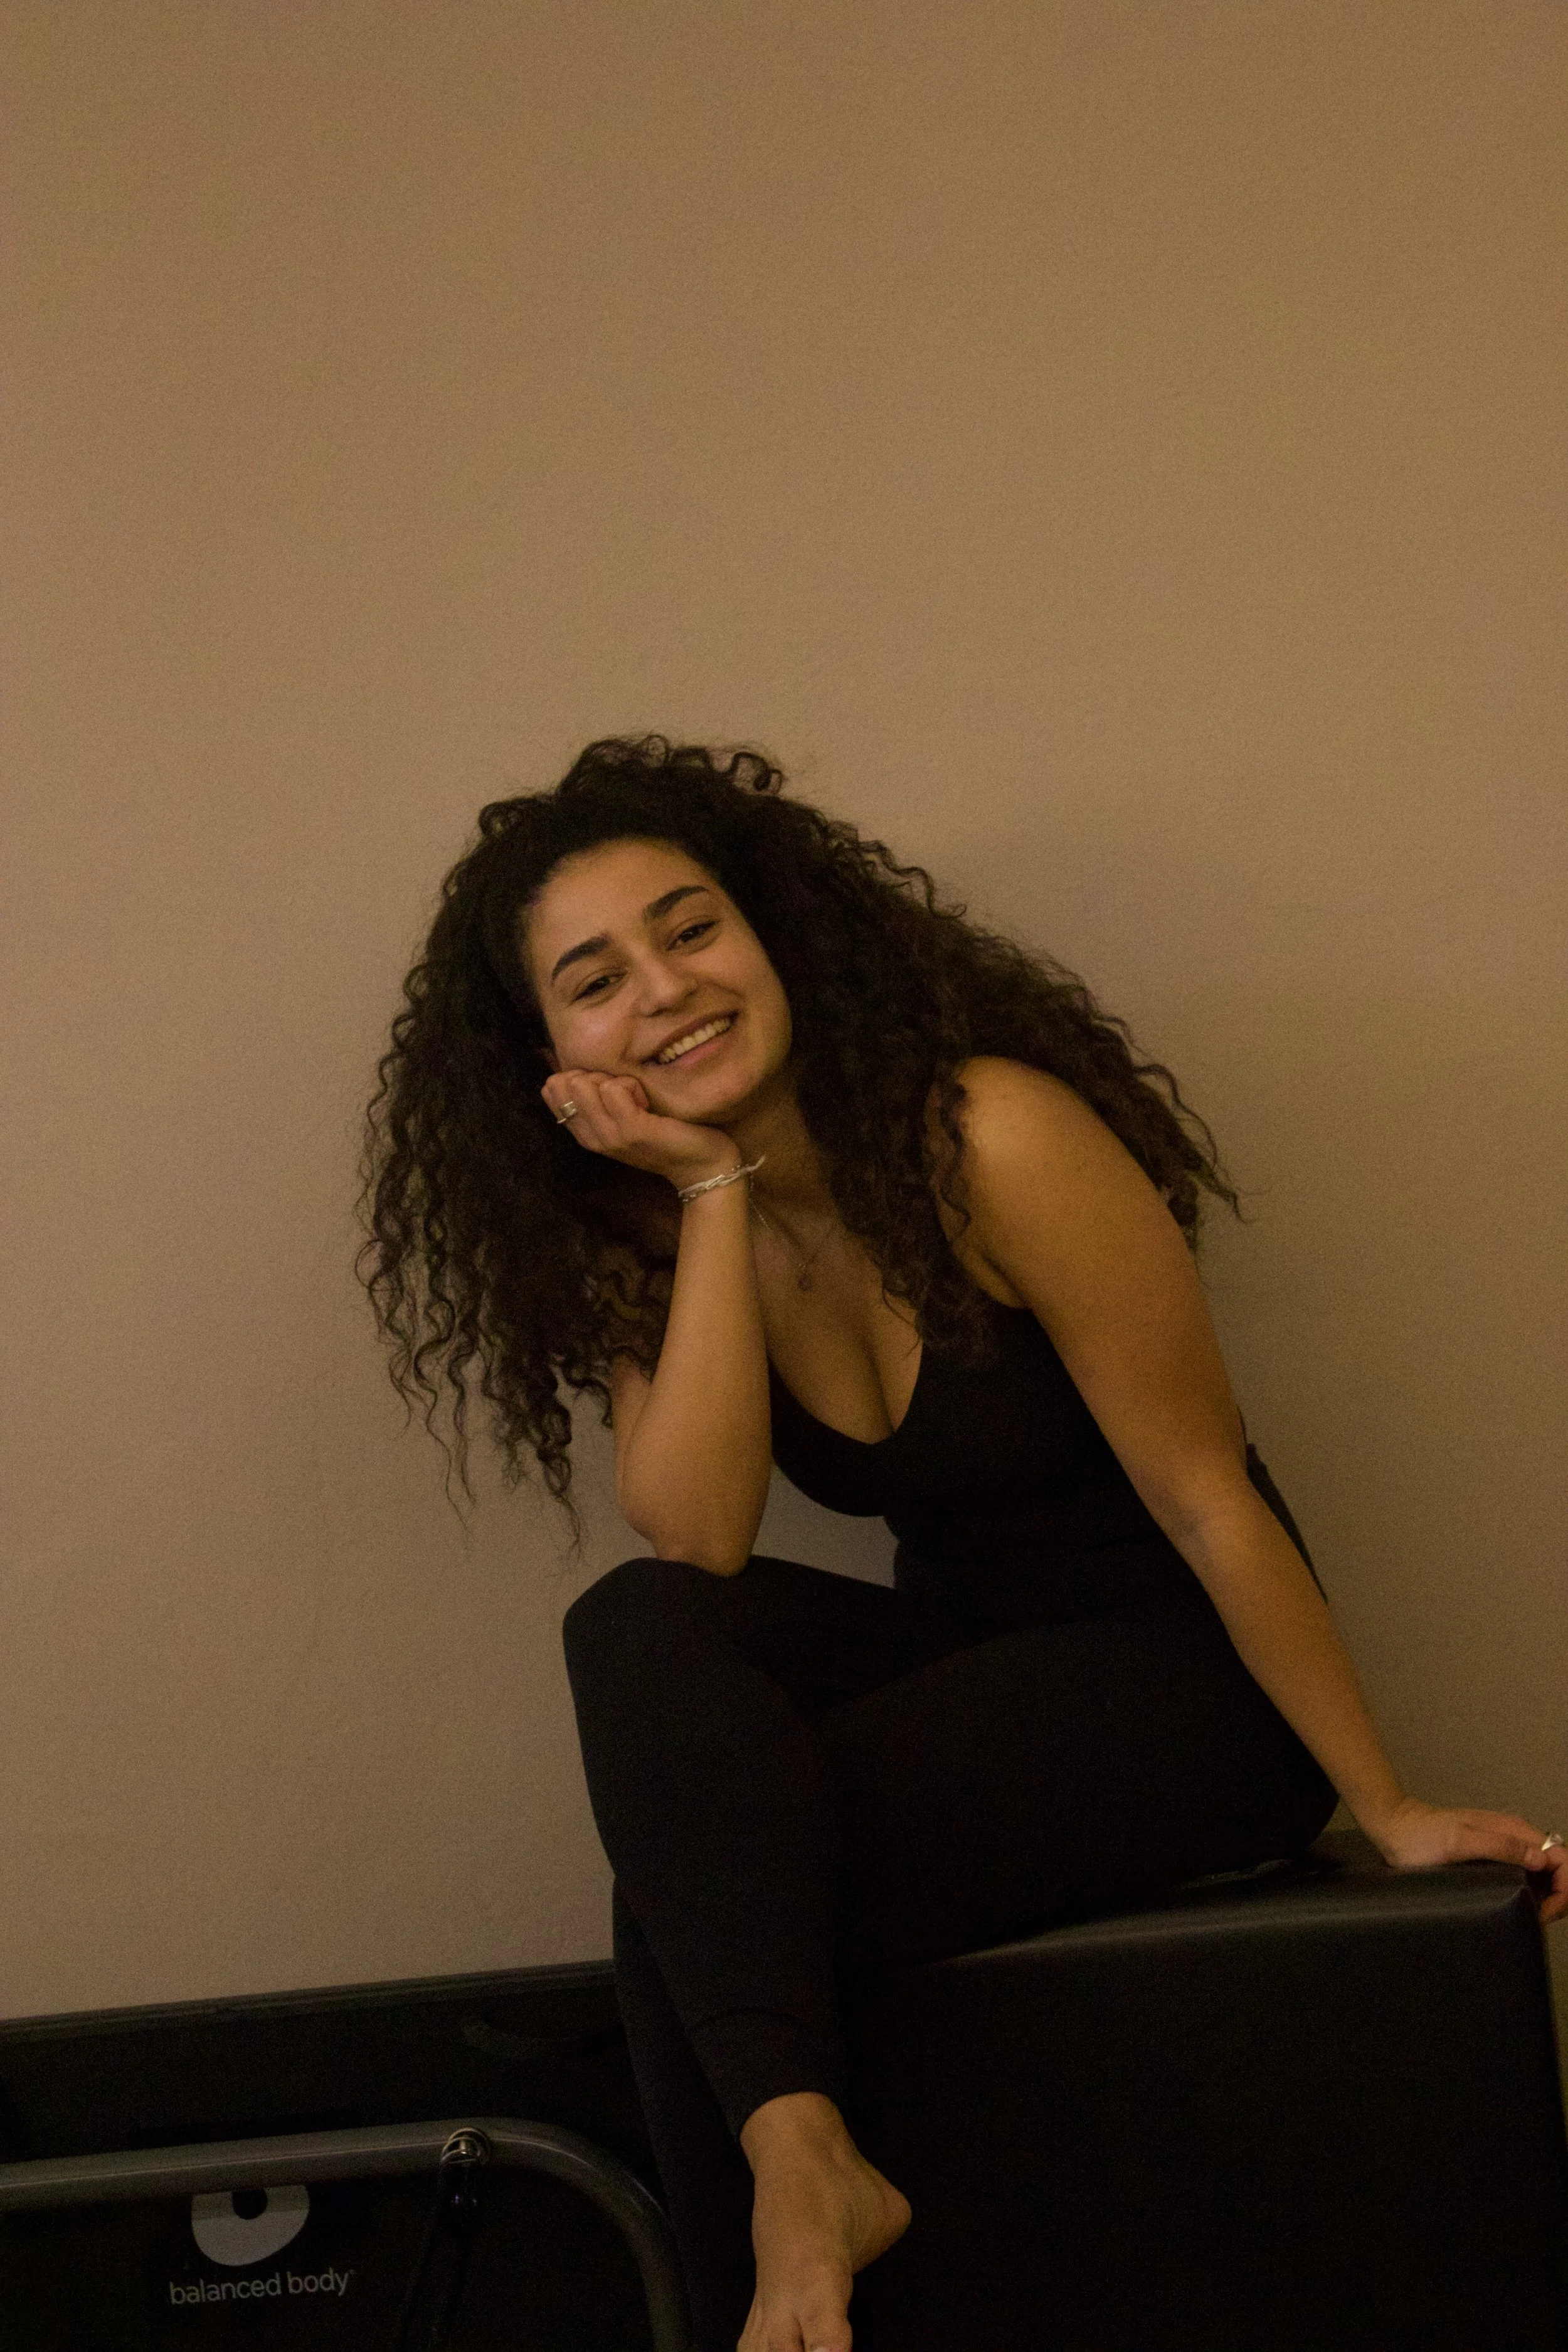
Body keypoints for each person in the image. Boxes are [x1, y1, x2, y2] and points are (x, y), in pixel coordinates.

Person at [357, 734, 1565, 2352]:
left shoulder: (991, 1138)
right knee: (635, 1643)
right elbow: (698, 1541)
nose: (663, 987)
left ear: (775, 932)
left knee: (701, 1890)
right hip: (980, 1667)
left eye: (691, 926)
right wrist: (712, 1190)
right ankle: (809, 2176)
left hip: (1182, 1691)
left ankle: (775, 2266)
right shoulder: (654, 1229)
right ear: (555, 1055)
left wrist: (1385, 1803)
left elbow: (1210, 1497)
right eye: (597, 978)